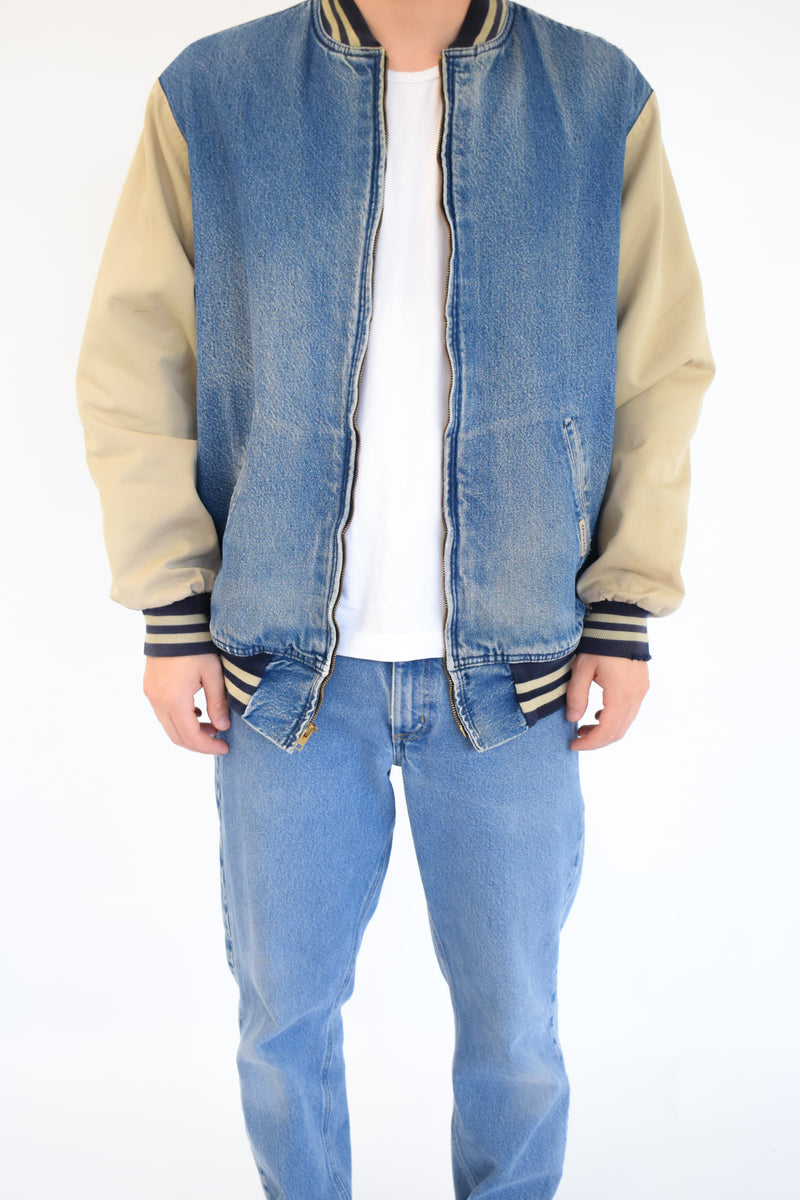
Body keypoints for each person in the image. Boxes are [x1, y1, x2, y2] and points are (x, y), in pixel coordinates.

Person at [75, 1, 715, 1195]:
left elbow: (657, 370)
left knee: (515, 1035)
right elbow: (134, 360)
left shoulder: (594, 97)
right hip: (282, 679)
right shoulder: (215, 94)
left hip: (516, 674)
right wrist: (172, 607)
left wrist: (623, 605)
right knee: (282, 1026)